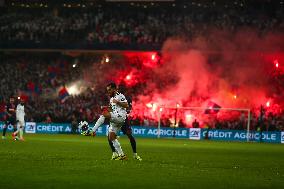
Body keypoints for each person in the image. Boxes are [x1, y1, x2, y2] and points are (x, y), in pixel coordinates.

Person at [90, 83, 129, 160]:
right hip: (116, 118)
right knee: (111, 137)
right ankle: (122, 155)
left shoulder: (120, 95)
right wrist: (106, 107)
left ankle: (93, 130)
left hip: (121, 116)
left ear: (114, 89)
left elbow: (126, 105)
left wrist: (117, 102)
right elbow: (112, 109)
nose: (108, 92)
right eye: (107, 90)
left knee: (104, 114)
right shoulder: (111, 99)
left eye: (110, 90)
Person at [107, 88, 142, 161]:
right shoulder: (113, 97)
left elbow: (128, 107)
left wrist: (124, 110)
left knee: (129, 135)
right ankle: (114, 153)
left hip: (124, 119)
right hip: (116, 118)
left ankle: (135, 154)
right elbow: (112, 107)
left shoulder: (126, 98)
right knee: (110, 136)